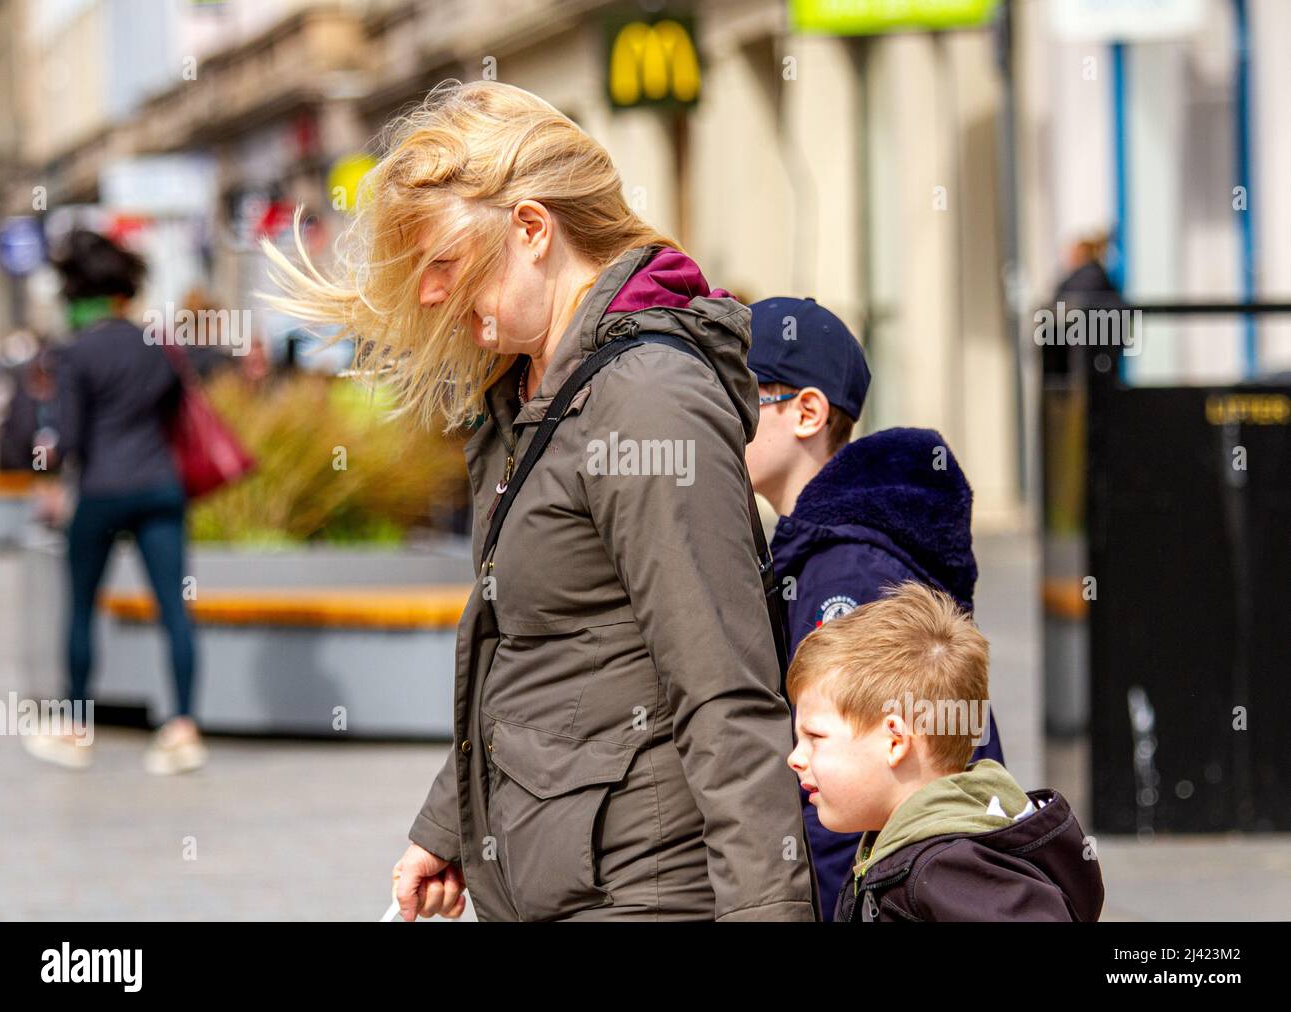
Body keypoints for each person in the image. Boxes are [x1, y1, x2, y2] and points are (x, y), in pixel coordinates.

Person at [262, 79, 817, 921]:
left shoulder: (646, 398)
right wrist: (450, 825)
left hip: (640, 889)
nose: (430, 296)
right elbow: (527, 647)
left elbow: (726, 692)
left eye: (443, 263)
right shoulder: (529, 390)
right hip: (546, 875)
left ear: (531, 228)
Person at [744, 295, 1004, 919]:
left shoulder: (847, 570)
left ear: (806, 411)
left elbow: (855, 783)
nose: (714, 419)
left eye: (738, 397)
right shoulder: (823, 550)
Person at [788, 582, 1102, 921]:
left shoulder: (948, 870)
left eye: (815, 736)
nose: (795, 757)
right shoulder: (908, 848)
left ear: (895, 741)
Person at [23, 229, 205, 775]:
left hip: (102, 492)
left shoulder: (75, 353)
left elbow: (70, 442)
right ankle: (183, 728)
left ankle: (77, 727)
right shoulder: (159, 344)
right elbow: (179, 415)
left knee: (81, 607)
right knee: (174, 608)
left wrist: (46, 453)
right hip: (159, 487)